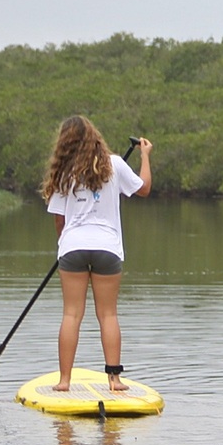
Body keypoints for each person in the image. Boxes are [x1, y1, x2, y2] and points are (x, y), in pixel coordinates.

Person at [41, 116, 152, 393]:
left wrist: (64, 245)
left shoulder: (63, 172)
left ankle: (64, 381)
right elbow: (144, 188)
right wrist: (145, 156)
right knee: (108, 315)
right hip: (107, 247)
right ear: (94, 136)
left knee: (71, 314)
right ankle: (114, 380)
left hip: (73, 247)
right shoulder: (115, 164)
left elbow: (59, 220)